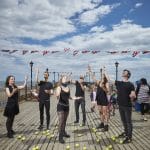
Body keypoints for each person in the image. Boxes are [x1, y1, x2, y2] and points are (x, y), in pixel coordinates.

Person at [115, 69, 136, 144]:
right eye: (123, 71)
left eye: (125, 72)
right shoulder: (119, 83)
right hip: (120, 105)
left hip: (127, 106)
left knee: (128, 122)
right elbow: (110, 80)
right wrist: (104, 72)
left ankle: (129, 138)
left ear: (128, 75)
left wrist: (132, 96)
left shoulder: (131, 84)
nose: (123, 72)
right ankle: (126, 133)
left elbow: (133, 95)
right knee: (123, 121)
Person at [88, 66, 110, 131]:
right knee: (100, 112)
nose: (102, 76)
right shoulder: (99, 82)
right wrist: (90, 71)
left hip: (104, 99)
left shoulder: (106, 83)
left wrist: (103, 87)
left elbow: (108, 91)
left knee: (105, 113)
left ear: (105, 76)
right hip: (99, 99)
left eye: (103, 75)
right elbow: (93, 78)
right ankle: (102, 123)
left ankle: (106, 126)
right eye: (101, 75)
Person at [56, 75, 72, 144]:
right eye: (64, 78)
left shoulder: (68, 88)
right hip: (60, 106)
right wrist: (57, 94)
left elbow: (69, 97)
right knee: (61, 121)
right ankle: (60, 137)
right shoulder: (59, 87)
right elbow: (57, 95)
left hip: (67, 106)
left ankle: (63, 132)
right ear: (61, 80)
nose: (65, 79)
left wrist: (75, 98)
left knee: (65, 121)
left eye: (66, 78)